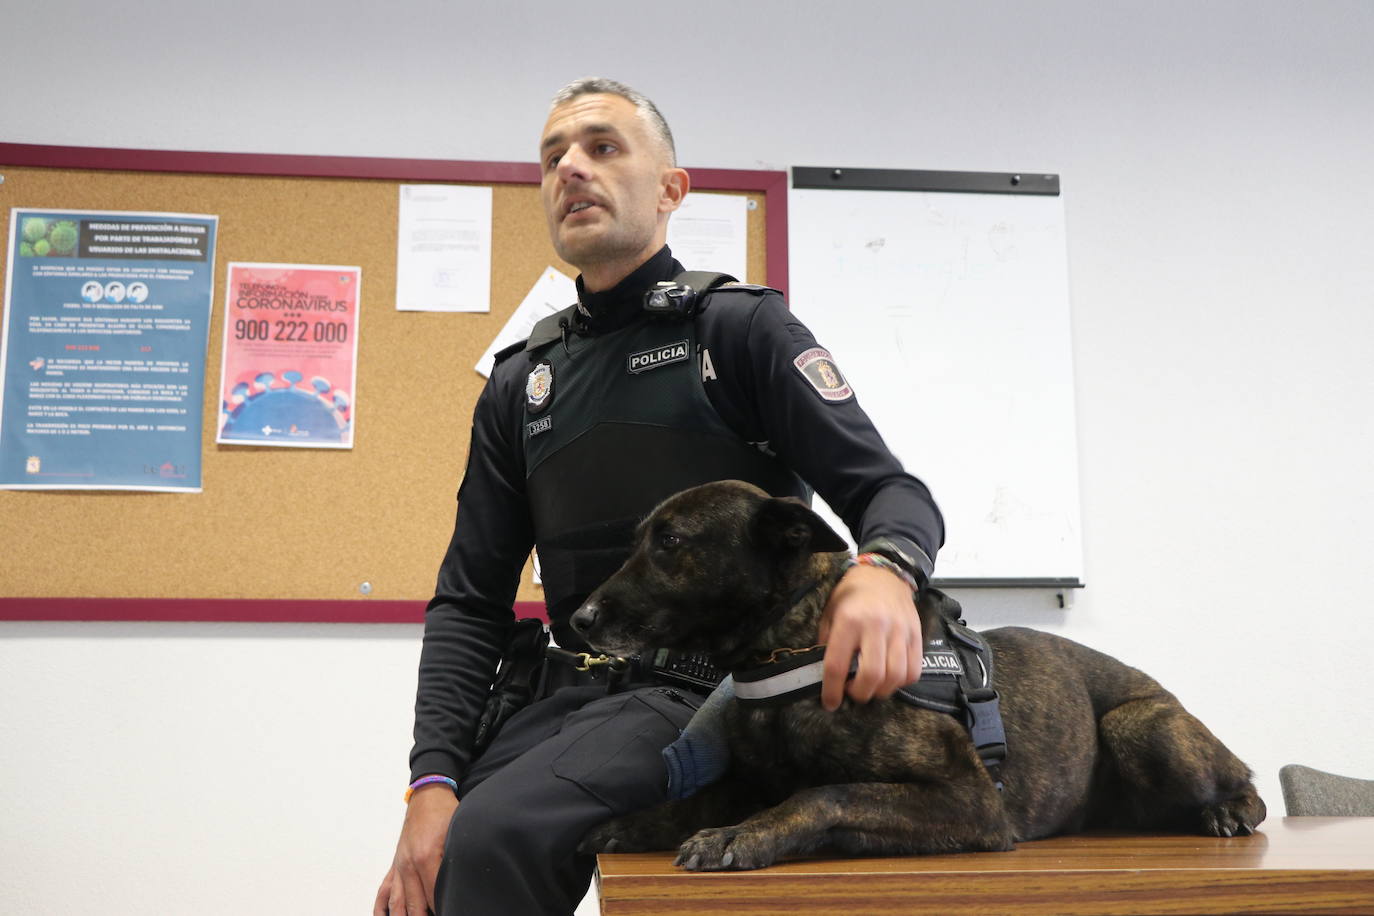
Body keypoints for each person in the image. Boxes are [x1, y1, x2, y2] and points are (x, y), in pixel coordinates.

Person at [374, 77, 944, 916]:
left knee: (494, 836)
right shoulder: (519, 384)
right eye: (552, 157)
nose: (571, 168)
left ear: (672, 189)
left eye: (603, 147)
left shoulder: (740, 331)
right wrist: (430, 781)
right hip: (564, 700)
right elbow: (468, 601)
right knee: (429, 870)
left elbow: (892, 492)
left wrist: (887, 568)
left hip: (708, 694)